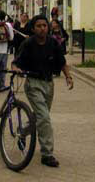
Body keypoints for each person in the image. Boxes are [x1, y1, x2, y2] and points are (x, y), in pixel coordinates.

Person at [12, 15, 73, 168]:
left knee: (41, 116)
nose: (42, 28)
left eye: (44, 25)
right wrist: (17, 70)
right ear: (33, 28)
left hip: (48, 83)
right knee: (44, 117)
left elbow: (62, 62)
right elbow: (15, 62)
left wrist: (68, 77)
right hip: (32, 83)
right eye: (38, 26)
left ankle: (23, 131)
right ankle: (47, 154)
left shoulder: (53, 43)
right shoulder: (28, 43)